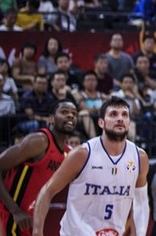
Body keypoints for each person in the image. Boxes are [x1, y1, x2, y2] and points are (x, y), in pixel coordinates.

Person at [32, 97, 149, 236]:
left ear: (129, 122)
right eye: (113, 114)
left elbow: (141, 202)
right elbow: (47, 191)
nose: (120, 119)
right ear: (101, 122)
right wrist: (37, 232)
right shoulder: (82, 154)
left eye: (124, 115)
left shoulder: (139, 157)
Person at [0, 100, 77, 235]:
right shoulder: (39, 141)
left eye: (74, 113)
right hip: (8, 214)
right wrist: (15, 211)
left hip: (29, 220)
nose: (70, 116)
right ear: (51, 119)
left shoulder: (68, 153)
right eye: (64, 112)